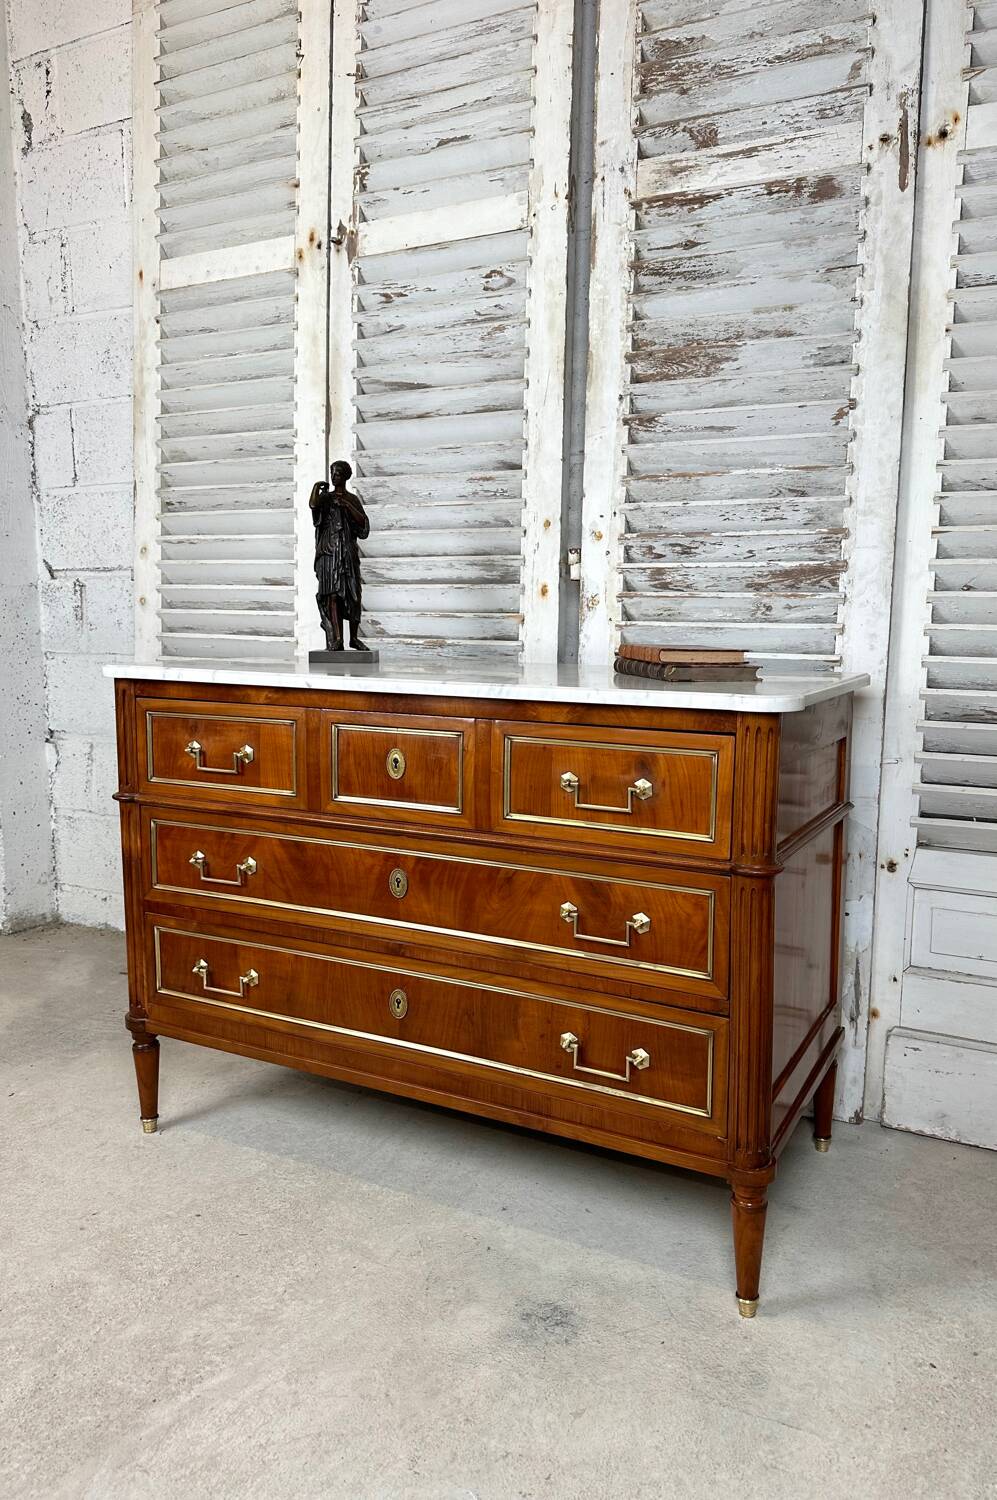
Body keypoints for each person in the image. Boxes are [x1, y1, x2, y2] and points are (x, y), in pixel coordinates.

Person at [309, 458, 371, 652]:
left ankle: (353, 637)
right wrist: (315, 489)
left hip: (347, 552)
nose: (334, 477)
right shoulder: (325, 499)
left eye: (337, 473)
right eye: (332, 473)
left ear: (345, 475)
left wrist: (346, 506)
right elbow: (313, 507)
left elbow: (364, 526)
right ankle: (336, 639)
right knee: (332, 595)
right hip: (329, 552)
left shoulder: (352, 499)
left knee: (353, 594)